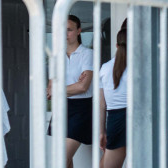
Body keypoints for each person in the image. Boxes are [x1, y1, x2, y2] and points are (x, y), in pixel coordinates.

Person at [48, 14, 94, 168]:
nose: (65, 33)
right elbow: (50, 90)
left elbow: (83, 87)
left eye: (69, 30)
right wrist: (70, 87)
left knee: (61, 158)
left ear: (79, 31)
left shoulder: (88, 54)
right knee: (66, 161)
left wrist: (59, 89)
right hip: (61, 107)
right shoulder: (56, 57)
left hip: (82, 109)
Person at [98, 25, 128, 168]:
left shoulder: (105, 68)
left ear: (116, 45)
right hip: (137, 116)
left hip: (115, 119)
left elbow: (101, 104)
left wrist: (101, 131)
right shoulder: (142, 66)